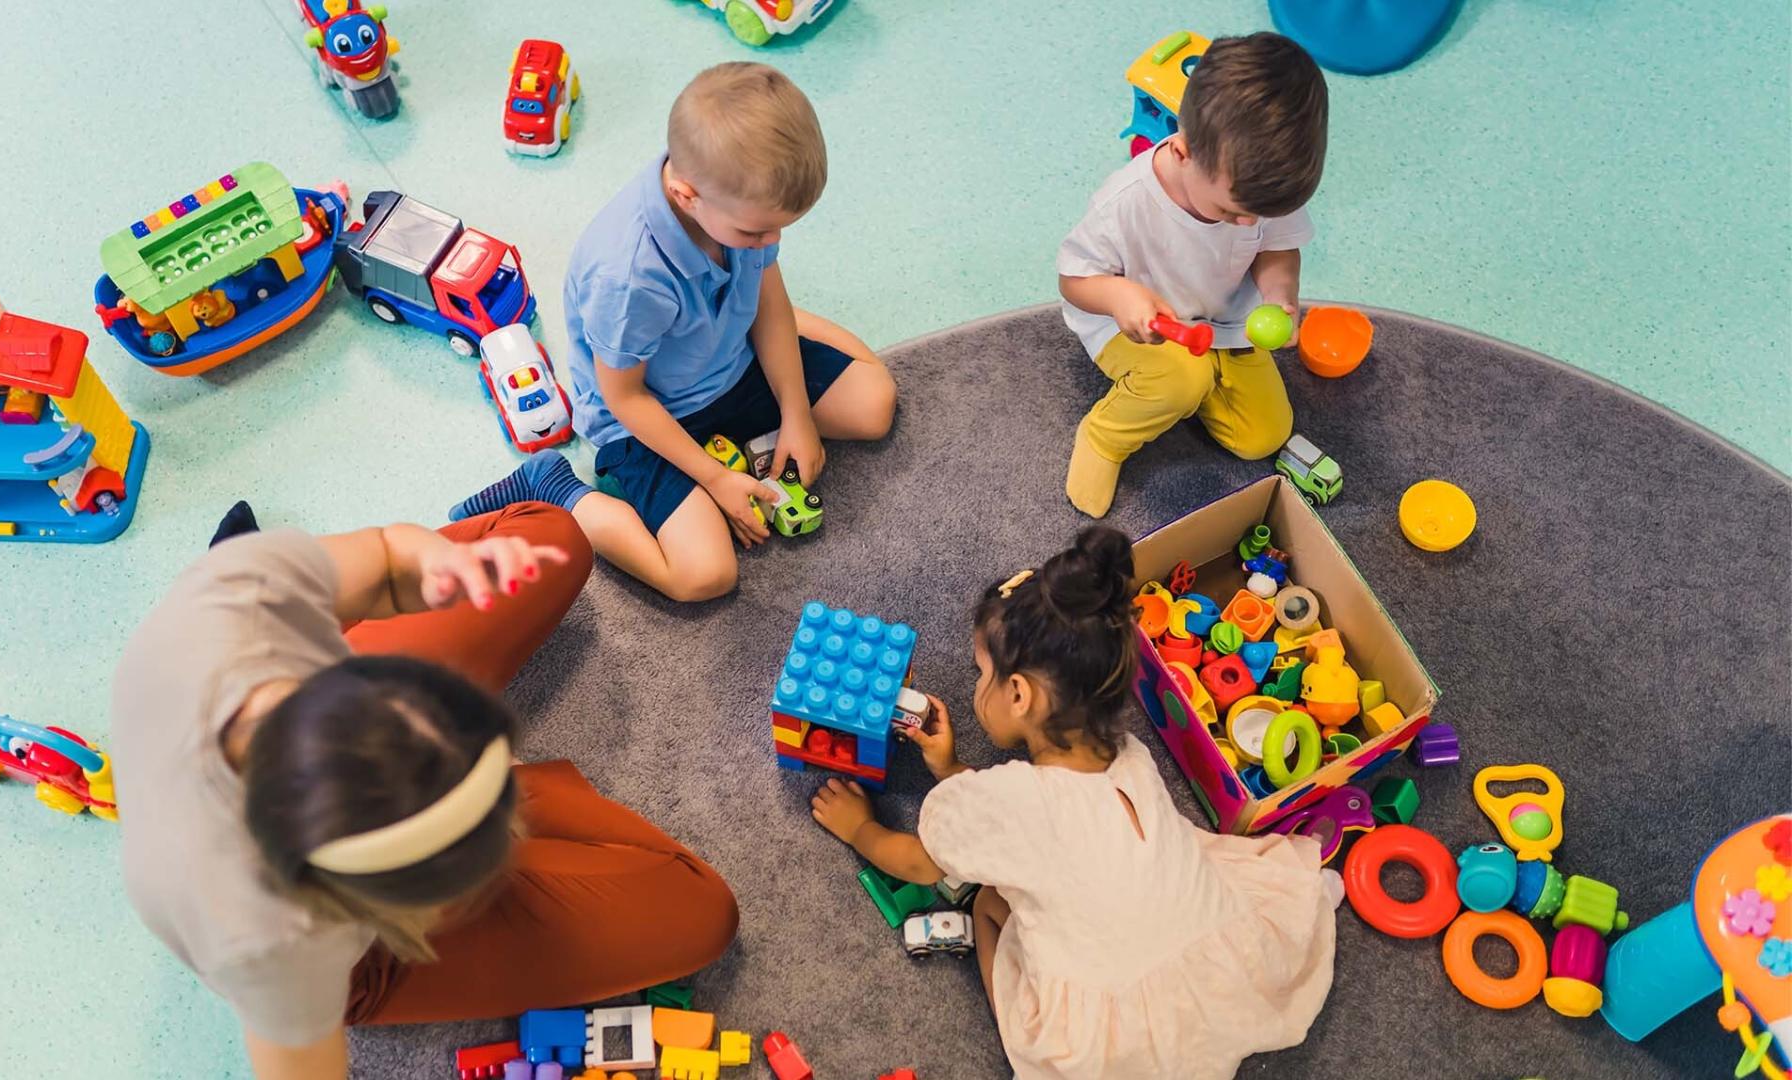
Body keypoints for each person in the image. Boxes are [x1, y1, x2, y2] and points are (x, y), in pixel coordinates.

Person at [112, 503, 738, 1079]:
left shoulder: (242, 593)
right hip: (331, 938)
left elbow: (384, 556)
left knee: (550, 538)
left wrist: (434, 568)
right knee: (700, 913)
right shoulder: (270, 943)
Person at [807, 527, 1336, 1078]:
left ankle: (1022, 1023)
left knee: (990, 904)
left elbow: (915, 861)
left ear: (1018, 695)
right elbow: (1026, 819)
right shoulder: (1129, 756)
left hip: (1113, 1040)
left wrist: (859, 827)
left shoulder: (1004, 803)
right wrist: (948, 769)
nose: (977, 686)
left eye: (982, 674)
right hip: (1221, 967)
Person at [450, 62, 897, 601]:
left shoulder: (731, 201)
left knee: (874, 403)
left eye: (779, 227)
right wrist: (716, 478)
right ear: (686, 195)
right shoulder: (629, 278)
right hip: (645, 417)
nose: (771, 240)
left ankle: (737, 328)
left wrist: (797, 412)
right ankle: (556, 486)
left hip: (731, 363)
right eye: (757, 231)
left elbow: (770, 297)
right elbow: (625, 398)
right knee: (704, 575)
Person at [1058, 32, 1329, 518]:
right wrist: (1120, 296)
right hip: (1138, 327)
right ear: (1183, 153)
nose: (1248, 224)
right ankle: (1105, 436)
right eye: (1233, 211)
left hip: (1223, 322)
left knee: (1263, 437)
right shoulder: (1125, 203)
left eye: (1257, 214)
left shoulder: (1259, 190)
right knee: (1177, 380)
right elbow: (1074, 280)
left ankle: (1202, 382)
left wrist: (1279, 295)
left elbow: (1279, 248)